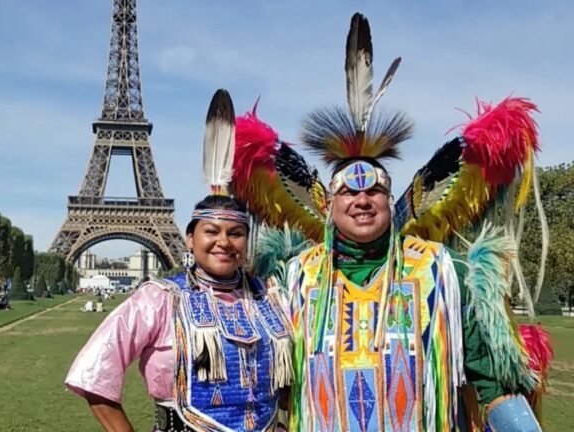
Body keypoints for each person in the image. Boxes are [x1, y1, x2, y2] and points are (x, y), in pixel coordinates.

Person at [231, 13, 551, 432]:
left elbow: (491, 383)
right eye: (349, 192)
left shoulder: (441, 271)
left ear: (389, 199)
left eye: (374, 191)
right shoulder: (296, 279)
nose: (362, 200)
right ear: (329, 205)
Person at [65, 90, 293, 431]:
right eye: (211, 231)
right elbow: (94, 373)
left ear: (247, 240)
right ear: (190, 238)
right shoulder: (159, 299)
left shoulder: (272, 298)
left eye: (235, 233)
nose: (223, 242)